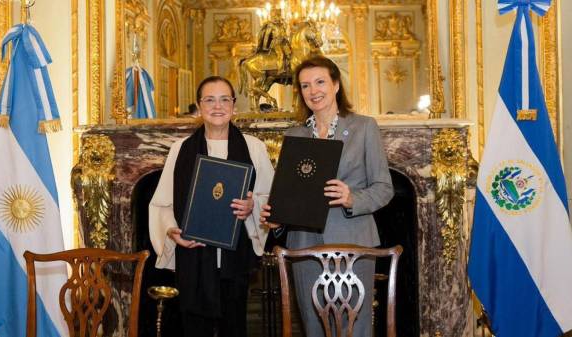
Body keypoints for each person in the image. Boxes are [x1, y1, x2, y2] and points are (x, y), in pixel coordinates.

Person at [260, 55, 394, 337]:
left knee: (355, 326)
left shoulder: (364, 127)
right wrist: (277, 220)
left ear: (335, 85)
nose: (313, 91)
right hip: (304, 246)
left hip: (353, 243)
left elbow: (384, 187)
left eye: (320, 82)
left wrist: (352, 198)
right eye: (305, 86)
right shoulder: (294, 134)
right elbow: (289, 193)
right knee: (313, 325)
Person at [149, 76, 274, 337]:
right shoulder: (180, 149)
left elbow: (270, 199)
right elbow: (162, 204)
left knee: (234, 326)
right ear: (198, 106)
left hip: (235, 258)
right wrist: (173, 231)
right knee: (195, 328)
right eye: (209, 100)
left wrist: (252, 205)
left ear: (234, 105)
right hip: (194, 257)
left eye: (224, 99)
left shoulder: (254, 148)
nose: (217, 106)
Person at [256, 8, 291, 73]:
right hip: (276, 44)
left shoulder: (282, 24)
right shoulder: (271, 25)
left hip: (283, 42)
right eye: (276, 16)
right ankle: (281, 70)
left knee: (290, 53)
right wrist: (264, 46)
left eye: (279, 16)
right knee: (280, 54)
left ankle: (289, 67)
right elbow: (266, 36)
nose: (278, 17)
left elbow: (285, 34)